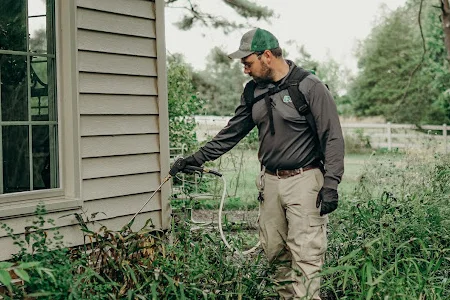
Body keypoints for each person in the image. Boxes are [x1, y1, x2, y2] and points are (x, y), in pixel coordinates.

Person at [177, 28, 344, 299]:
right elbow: (231, 132)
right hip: (270, 183)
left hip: (305, 180)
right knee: (275, 253)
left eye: (247, 62)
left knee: (306, 257)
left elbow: (332, 137)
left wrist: (331, 184)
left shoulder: (309, 86)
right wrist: (195, 158)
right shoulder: (253, 91)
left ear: (267, 56)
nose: (245, 69)